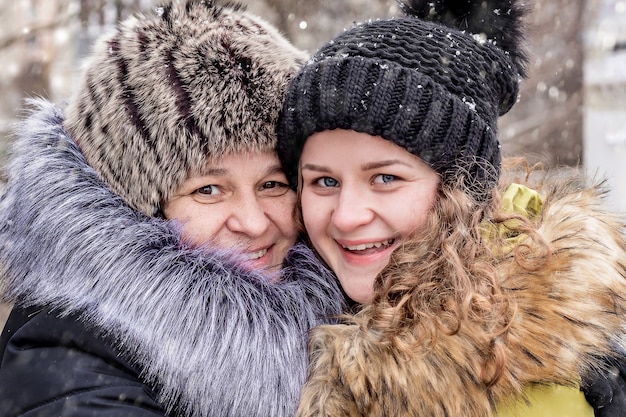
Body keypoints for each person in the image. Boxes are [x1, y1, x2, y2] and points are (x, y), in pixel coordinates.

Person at [276, 0, 626, 416]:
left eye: (386, 178)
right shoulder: (297, 322)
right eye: (324, 182)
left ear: (462, 188)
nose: (347, 215)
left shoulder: (524, 382)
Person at [0, 1, 344, 416]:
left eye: (273, 184)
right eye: (209, 190)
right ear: (138, 205)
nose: (254, 222)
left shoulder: (359, 300)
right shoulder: (69, 352)